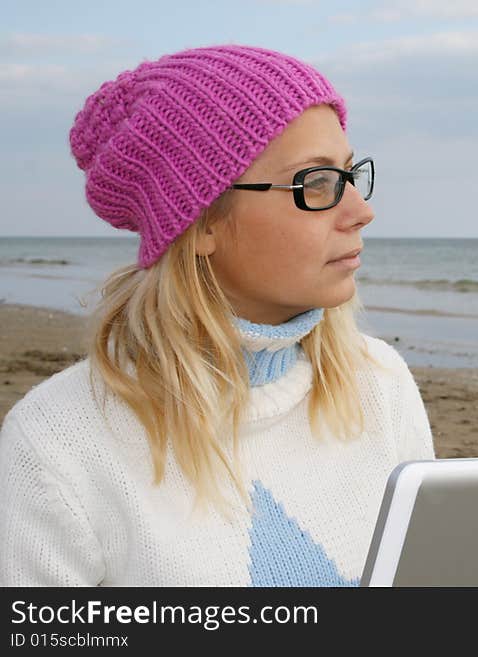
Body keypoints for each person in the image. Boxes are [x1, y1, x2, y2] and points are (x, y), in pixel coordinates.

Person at [0, 45, 435, 586]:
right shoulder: (57, 442)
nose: (361, 211)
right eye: (314, 183)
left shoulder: (381, 384)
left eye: (349, 176)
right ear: (202, 221)